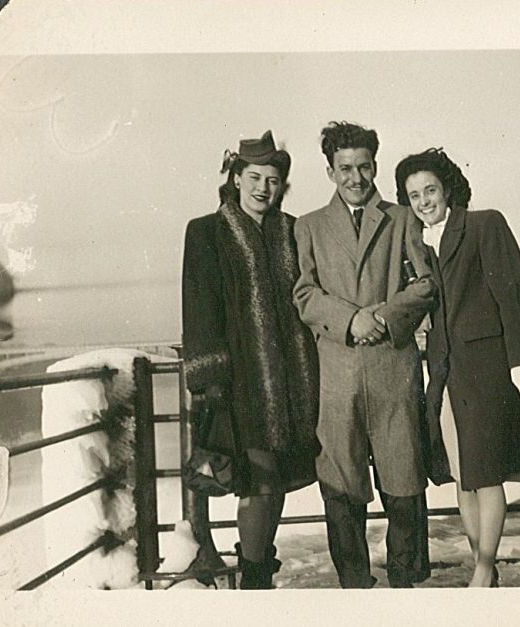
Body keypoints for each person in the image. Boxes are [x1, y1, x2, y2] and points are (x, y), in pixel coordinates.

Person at [395, 147, 520, 588]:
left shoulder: (484, 224)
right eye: (414, 195)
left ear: (448, 189)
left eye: (430, 190)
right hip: (443, 371)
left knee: (484, 472)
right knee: (461, 473)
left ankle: (483, 568)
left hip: (487, 368)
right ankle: (483, 564)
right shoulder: (416, 244)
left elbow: (512, 297)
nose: (424, 201)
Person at [293, 121, 436, 588]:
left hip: (394, 369)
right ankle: (355, 585)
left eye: (365, 167)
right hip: (337, 375)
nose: (356, 177)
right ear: (331, 170)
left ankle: (406, 580)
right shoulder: (309, 226)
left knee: (404, 479)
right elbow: (304, 294)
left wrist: (385, 316)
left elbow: (426, 286)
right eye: (345, 168)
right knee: (340, 482)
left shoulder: (402, 219)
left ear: (375, 165)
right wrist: (350, 320)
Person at [181, 130, 320, 589]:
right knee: (258, 484)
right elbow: (199, 311)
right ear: (236, 179)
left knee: (275, 482)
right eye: (254, 177)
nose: (264, 188)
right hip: (241, 387)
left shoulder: (292, 230)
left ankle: (258, 561)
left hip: (294, 385)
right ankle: (255, 578)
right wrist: (209, 385)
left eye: (273, 180)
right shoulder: (207, 232)